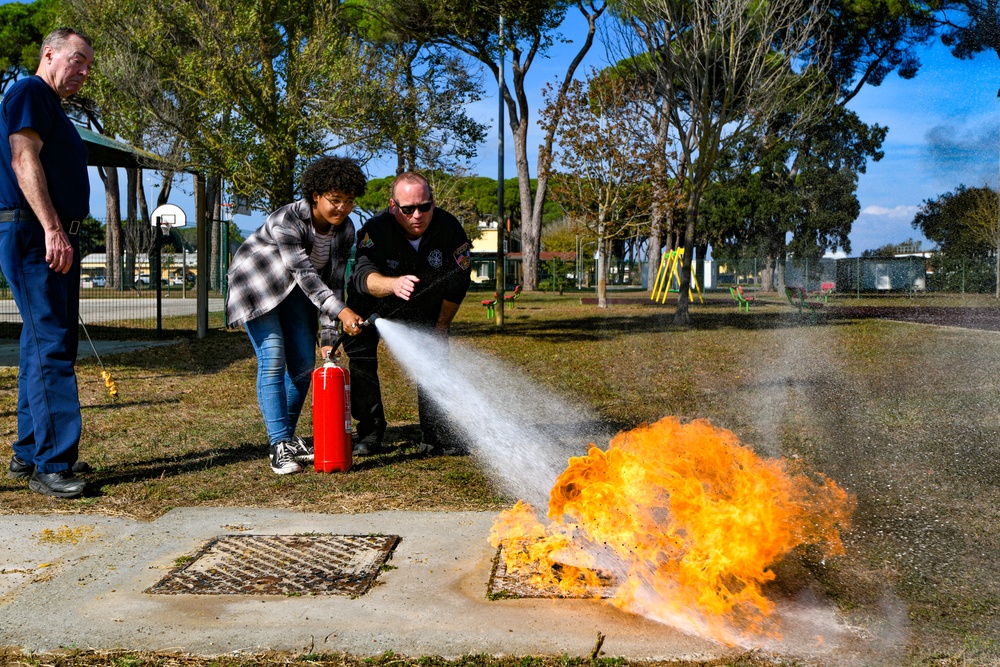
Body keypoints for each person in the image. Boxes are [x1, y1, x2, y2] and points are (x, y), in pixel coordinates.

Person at [226, 156, 367, 475]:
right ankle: (278, 445)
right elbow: (303, 273)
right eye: (335, 200)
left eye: (348, 201)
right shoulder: (288, 219)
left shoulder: (346, 229)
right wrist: (342, 312)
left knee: (303, 365)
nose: (342, 208)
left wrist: (330, 339)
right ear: (316, 195)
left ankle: (287, 439)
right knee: (273, 356)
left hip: (298, 293)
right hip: (258, 285)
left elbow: (333, 282)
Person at [0, 28, 94, 498]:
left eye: (87, 67)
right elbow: (23, 159)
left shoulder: (50, 104)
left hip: (47, 234)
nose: (82, 71)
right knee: (53, 344)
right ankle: (53, 464)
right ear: (49, 54)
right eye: (76, 60)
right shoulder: (30, 90)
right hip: (37, 234)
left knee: (40, 341)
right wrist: (54, 229)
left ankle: (30, 449)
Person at [344, 171, 472, 456]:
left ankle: (435, 433)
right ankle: (370, 433)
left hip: (423, 304)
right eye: (408, 209)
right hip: (372, 303)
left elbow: (458, 283)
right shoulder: (376, 229)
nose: (418, 215)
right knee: (361, 358)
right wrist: (393, 284)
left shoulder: (450, 229)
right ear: (393, 206)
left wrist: (440, 327)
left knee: (434, 357)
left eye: (424, 206)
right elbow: (363, 278)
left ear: (432, 204)